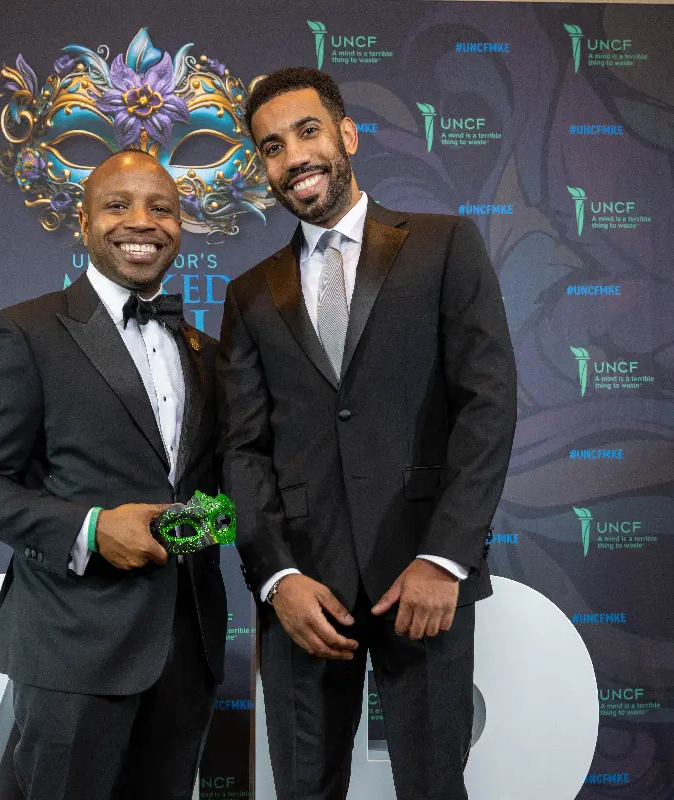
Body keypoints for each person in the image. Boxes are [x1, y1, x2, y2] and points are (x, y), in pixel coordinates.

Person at [216, 68, 516, 799]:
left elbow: (486, 405)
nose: (294, 157)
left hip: (423, 579)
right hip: (305, 597)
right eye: (272, 147)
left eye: (307, 132)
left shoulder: (444, 245)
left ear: (347, 135)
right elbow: (242, 451)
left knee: (433, 786)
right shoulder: (249, 293)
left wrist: (445, 559)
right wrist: (276, 578)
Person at [0, 149, 226, 800]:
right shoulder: (24, 332)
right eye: (118, 205)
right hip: (73, 644)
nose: (142, 221)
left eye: (162, 208)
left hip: (187, 648)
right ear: (84, 221)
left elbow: (215, 482)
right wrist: (93, 529)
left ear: (180, 226)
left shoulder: (206, 352)